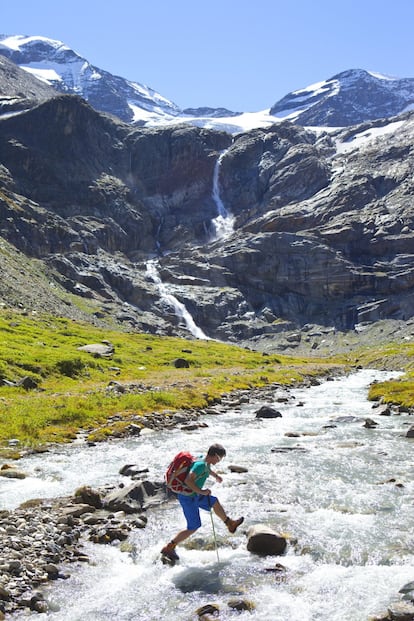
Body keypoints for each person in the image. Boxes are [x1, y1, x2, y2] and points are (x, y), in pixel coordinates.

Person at [161, 443, 244, 561]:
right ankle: (169, 547)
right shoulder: (200, 465)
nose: (219, 461)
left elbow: (207, 469)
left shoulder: (203, 460)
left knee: (214, 502)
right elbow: (188, 480)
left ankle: (229, 523)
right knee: (194, 526)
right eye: (219, 458)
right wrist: (202, 491)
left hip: (194, 494)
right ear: (215, 455)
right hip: (188, 497)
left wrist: (216, 476)